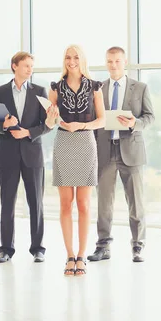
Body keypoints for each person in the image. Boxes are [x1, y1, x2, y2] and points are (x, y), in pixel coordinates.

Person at [88, 46, 155, 263]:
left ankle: (138, 246)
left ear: (124, 62)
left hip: (131, 151)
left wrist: (135, 123)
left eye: (117, 61)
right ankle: (103, 246)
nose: (113, 65)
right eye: (109, 61)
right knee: (103, 204)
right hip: (105, 151)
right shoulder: (98, 88)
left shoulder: (140, 88)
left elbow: (150, 117)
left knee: (136, 202)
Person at [0, 51, 55, 263]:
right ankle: (6, 249)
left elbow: (48, 125)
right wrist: (4, 125)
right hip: (7, 155)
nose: (29, 69)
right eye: (26, 65)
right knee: (7, 203)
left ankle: (38, 248)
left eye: (31, 66)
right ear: (14, 66)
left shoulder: (39, 91)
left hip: (32, 154)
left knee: (36, 202)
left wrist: (28, 132)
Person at [47, 44, 105, 276]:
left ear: (82, 60)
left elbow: (102, 120)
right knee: (65, 203)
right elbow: (49, 123)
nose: (72, 61)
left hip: (85, 142)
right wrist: (51, 118)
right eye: (68, 57)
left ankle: (82, 256)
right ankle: (69, 255)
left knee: (84, 204)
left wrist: (80, 124)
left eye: (76, 57)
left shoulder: (94, 87)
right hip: (63, 143)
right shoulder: (55, 87)